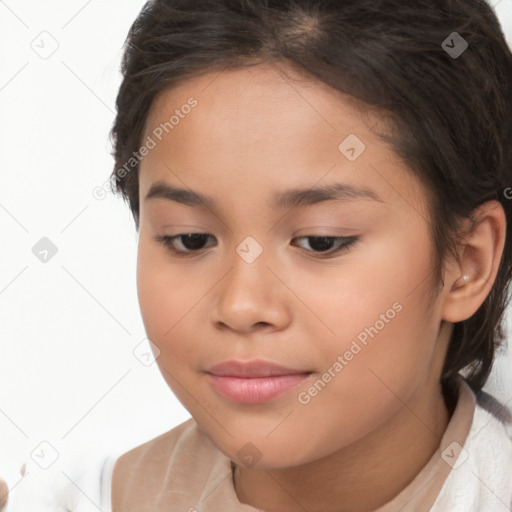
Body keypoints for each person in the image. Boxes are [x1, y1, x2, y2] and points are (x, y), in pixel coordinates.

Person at [107, 0, 512, 510]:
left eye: (321, 241)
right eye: (190, 239)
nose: (241, 306)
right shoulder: (75, 499)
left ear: (467, 264)